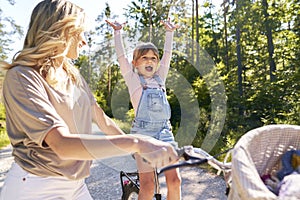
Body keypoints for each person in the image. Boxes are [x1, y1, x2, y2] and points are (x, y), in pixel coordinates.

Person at [0, 1, 179, 199]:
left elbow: (102, 121)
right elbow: (60, 143)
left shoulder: (73, 76)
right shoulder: (22, 77)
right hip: (36, 185)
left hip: (76, 185)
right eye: (80, 33)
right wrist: (137, 142)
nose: (84, 41)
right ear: (62, 32)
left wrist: (137, 152)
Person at [106, 18, 181, 200]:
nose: (150, 61)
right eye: (144, 58)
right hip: (143, 134)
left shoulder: (160, 78)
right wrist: (118, 32)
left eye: (153, 58)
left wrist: (169, 33)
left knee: (175, 181)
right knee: (147, 186)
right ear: (135, 63)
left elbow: (168, 55)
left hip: (164, 133)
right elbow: (121, 57)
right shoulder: (133, 79)